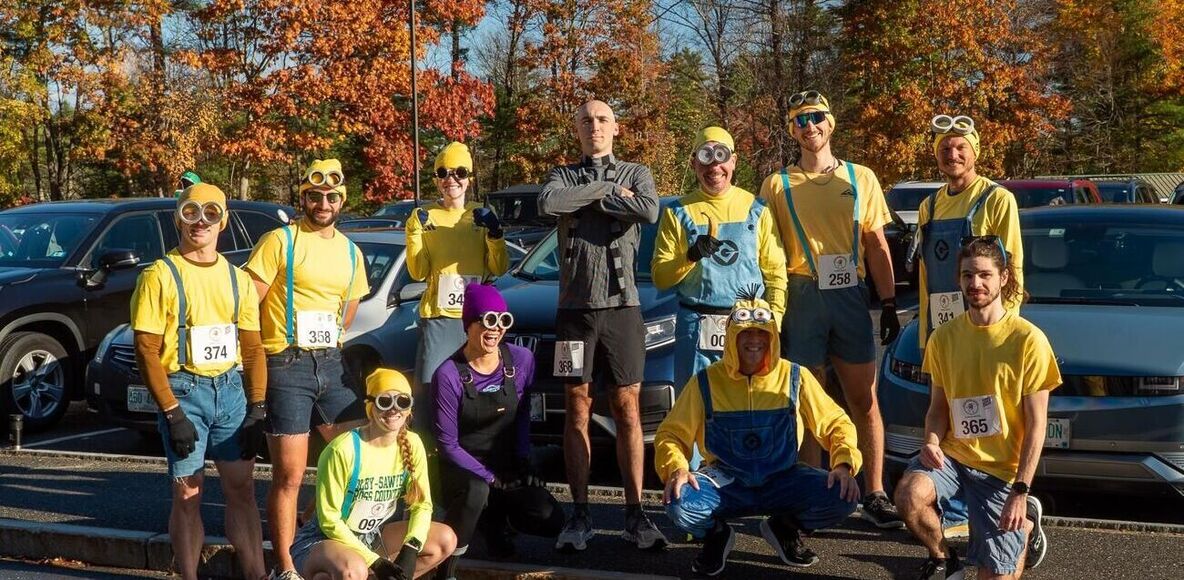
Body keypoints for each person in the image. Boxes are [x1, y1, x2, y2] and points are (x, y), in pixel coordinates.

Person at [758, 90, 903, 529]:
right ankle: (815, 492)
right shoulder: (775, 184)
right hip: (801, 295)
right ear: (792, 130)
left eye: (818, 117)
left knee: (865, 399)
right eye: (801, 120)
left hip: (849, 295)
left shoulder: (861, 178)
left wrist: (891, 301)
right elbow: (764, 247)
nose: (810, 126)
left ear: (831, 123)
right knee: (808, 402)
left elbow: (876, 244)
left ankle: (875, 492)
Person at [656, 290, 862, 576]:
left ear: (773, 337)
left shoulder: (795, 376)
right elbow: (671, 435)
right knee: (678, 504)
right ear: (731, 338)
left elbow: (836, 422)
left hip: (783, 480)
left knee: (844, 496)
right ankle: (716, 535)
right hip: (727, 485)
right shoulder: (705, 381)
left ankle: (784, 527)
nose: (754, 340)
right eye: (745, 333)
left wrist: (842, 464)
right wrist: (676, 468)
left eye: (762, 332)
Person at [537, 99, 665, 551]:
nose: (594, 126)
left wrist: (604, 192)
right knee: (577, 411)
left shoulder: (638, 171)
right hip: (574, 313)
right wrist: (603, 191)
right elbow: (551, 202)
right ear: (577, 129)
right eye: (586, 120)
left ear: (616, 128)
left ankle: (636, 513)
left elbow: (648, 211)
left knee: (628, 410)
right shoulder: (563, 176)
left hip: (623, 309)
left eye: (602, 119)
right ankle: (580, 514)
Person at [895, 237, 1060, 580]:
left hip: (1002, 471)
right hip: (954, 457)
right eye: (967, 275)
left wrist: (1020, 490)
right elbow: (938, 409)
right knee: (910, 495)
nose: (975, 283)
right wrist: (931, 441)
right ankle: (945, 558)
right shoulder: (943, 338)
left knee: (997, 576)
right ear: (958, 279)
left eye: (985, 275)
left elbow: (1036, 425)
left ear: (1003, 278)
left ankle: (1023, 523)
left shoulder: (1028, 341)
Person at [130, 183, 267, 580]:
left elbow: (254, 348)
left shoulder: (237, 278)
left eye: (210, 213)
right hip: (184, 392)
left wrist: (257, 407)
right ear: (179, 218)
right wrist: (172, 413)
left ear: (223, 220)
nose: (201, 222)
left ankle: (256, 574)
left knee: (241, 490)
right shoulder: (160, 276)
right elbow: (146, 349)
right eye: (191, 213)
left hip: (230, 391)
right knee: (187, 493)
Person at [244, 158, 369, 580]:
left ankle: (314, 531)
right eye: (315, 196)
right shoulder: (280, 241)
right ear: (304, 198)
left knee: (354, 458)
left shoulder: (351, 251)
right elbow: (250, 301)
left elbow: (347, 313)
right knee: (290, 473)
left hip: (331, 361)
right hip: (287, 363)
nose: (323, 202)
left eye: (332, 196)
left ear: (341, 201)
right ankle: (285, 566)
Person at [431, 283, 565, 579]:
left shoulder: (520, 360)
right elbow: (447, 444)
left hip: (502, 463)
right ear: (469, 325)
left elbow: (523, 415)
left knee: (549, 517)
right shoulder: (448, 374)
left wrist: (523, 458)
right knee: (477, 490)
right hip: (459, 469)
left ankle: (495, 522)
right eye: (487, 320)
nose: (495, 329)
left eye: (503, 320)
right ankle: (447, 569)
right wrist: (490, 478)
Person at [652, 125, 788, 394]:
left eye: (721, 155)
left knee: (750, 408)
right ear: (694, 163)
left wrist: (773, 321)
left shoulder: (757, 209)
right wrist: (690, 256)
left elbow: (775, 273)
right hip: (696, 329)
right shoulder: (677, 212)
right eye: (705, 156)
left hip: (750, 327)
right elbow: (661, 277)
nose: (714, 166)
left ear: (734, 161)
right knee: (696, 411)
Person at [291, 368, 457, 580]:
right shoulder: (343, 449)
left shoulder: (413, 443)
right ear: (370, 407)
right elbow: (329, 520)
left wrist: (411, 547)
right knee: (353, 570)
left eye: (402, 402)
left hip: (370, 536)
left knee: (445, 540)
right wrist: (374, 561)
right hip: (322, 539)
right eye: (384, 402)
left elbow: (422, 505)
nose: (393, 410)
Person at [406, 142, 510, 428]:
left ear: (469, 179)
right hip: (439, 318)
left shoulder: (480, 215)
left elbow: (498, 268)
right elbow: (418, 272)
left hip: (478, 320)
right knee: (429, 389)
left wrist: (495, 234)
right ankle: (427, 454)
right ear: (437, 179)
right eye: (443, 172)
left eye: (459, 172)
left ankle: (475, 450)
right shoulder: (424, 216)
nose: (451, 179)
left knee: (477, 388)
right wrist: (414, 232)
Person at [910, 114, 1023, 349]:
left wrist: (1006, 329)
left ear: (975, 151)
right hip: (941, 332)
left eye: (961, 147)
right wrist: (924, 337)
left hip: (986, 330)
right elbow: (924, 277)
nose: (953, 155)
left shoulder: (997, 199)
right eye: (945, 148)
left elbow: (1012, 268)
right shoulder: (928, 207)